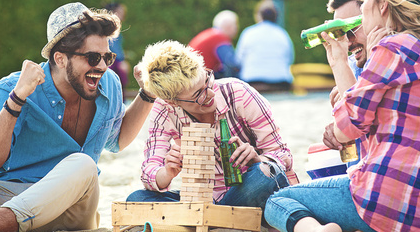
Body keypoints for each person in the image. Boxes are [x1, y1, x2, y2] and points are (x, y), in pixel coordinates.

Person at [264, 0, 420, 232]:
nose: (363, 7)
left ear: (381, 5)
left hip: (389, 199)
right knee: (356, 201)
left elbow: (347, 128)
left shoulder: (391, 48)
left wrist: (340, 61)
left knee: (277, 200)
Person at [0, 2, 155, 232]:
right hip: (4, 203)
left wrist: (147, 93)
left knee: (83, 164)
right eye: (93, 57)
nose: (102, 66)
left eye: (107, 57)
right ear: (60, 59)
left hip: (72, 212)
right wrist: (17, 99)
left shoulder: (109, 83)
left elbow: (117, 141)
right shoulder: (11, 89)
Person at [126, 40, 299, 212]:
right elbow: (149, 171)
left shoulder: (237, 93)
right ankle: (220, 215)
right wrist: (167, 172)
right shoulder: (164, 110)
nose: (210, 93)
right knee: (136, 200)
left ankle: (215, 217)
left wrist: (257, 159)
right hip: (205, 199)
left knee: (266, 174)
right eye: (198, 94)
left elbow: (283, 157)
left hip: (250, 187)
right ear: (172, 102)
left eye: (207, 80)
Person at [323, 0, 366, 166]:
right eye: (340, 32)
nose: (348, 42)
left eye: (352, 27)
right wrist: (334, 128)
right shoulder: (353, 64)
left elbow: (353, 124)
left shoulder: (391, 59)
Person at [236, 0, 295, 92]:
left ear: (259, 16)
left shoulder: (248, 33)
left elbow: (239, 60)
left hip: (252, 82)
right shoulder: (283, 34)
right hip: (281, 83)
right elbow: (290, 59)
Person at [189, 10, 240, 79]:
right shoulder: (220, 37)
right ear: (229, 26)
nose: (236, 28)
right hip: (199, 78)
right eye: (235, 25)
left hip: (192, 75)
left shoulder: (210, 34)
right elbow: (231, 63)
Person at [104, 2, 131, 102]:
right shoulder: (109, 28)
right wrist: (121, 61)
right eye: (120, 12)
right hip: (110, 61)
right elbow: (112, 48)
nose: (123, 15)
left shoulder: (116, 29)